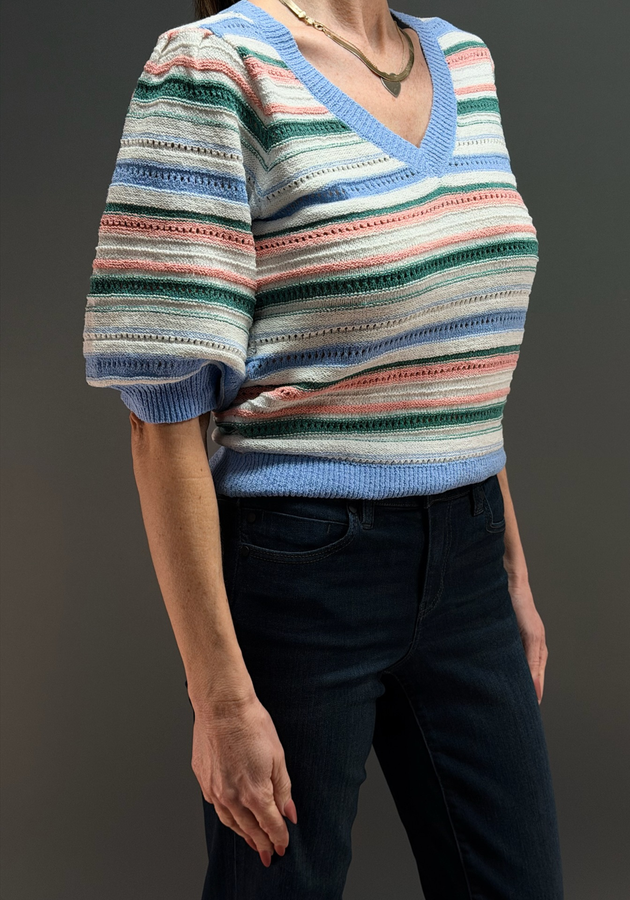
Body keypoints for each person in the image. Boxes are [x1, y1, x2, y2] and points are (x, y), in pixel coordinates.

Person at [82, 0, 564, 895]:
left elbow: (452, 358)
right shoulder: (213, 69)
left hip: (469, 563)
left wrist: (511, 572)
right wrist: (219, 697)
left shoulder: (463, 59)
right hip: (304, 573)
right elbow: (162, 416)